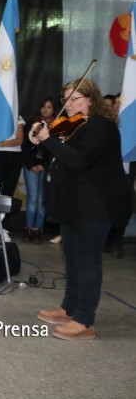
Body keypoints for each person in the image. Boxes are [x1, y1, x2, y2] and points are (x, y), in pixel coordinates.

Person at [31, 79, 130, 341]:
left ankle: (85, 320)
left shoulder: (101, 126)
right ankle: (69, 308)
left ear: (90, 99)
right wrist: (40, 138)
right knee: (72, 258)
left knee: (87, 261)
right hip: (74, 202)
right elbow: (59, 152)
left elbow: (78, 159)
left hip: (97, 203)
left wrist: (48, 140)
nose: (70, 104)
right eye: (66, 99)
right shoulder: (72, 126)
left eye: (76, 98)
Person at [21, 97, 56, 244]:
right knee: (32, 198)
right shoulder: (32, 123)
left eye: (49, 107)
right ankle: (29, 230)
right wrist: (32, 164)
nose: (46, 110)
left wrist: (44, 164)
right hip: (31, 166)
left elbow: (55, 149)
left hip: (47, 166)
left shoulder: (57, 125)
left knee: (42, 200)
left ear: (54, 110)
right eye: (43, 107)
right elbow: (25, 147)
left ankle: (38, 230)